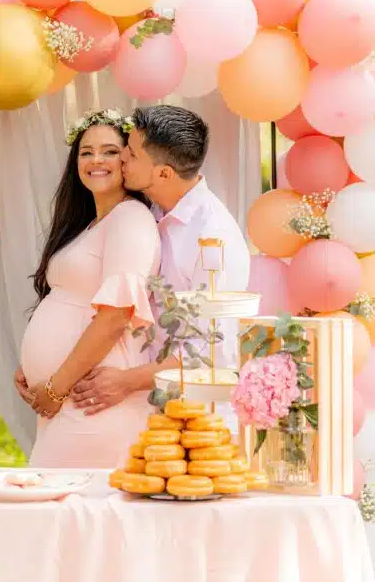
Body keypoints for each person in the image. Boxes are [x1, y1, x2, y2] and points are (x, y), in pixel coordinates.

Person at [70, 105, 251, 423]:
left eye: (133, 154)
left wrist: (128, 381)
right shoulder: (147, 210)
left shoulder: (212, 239)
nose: (122, 158)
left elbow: (212, 352)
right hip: (148, 409)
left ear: (164, 174)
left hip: (199, 417)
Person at [14, 109, 172, 469]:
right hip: (65, 399)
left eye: (110, 151)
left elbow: (116, 317)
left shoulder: (130, 218)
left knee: (65, 511)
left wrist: (55, 387)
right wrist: (34, 367)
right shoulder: (90, 226)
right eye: (86, 152)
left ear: (128, 161)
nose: (96, 160)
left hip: (90, 400)